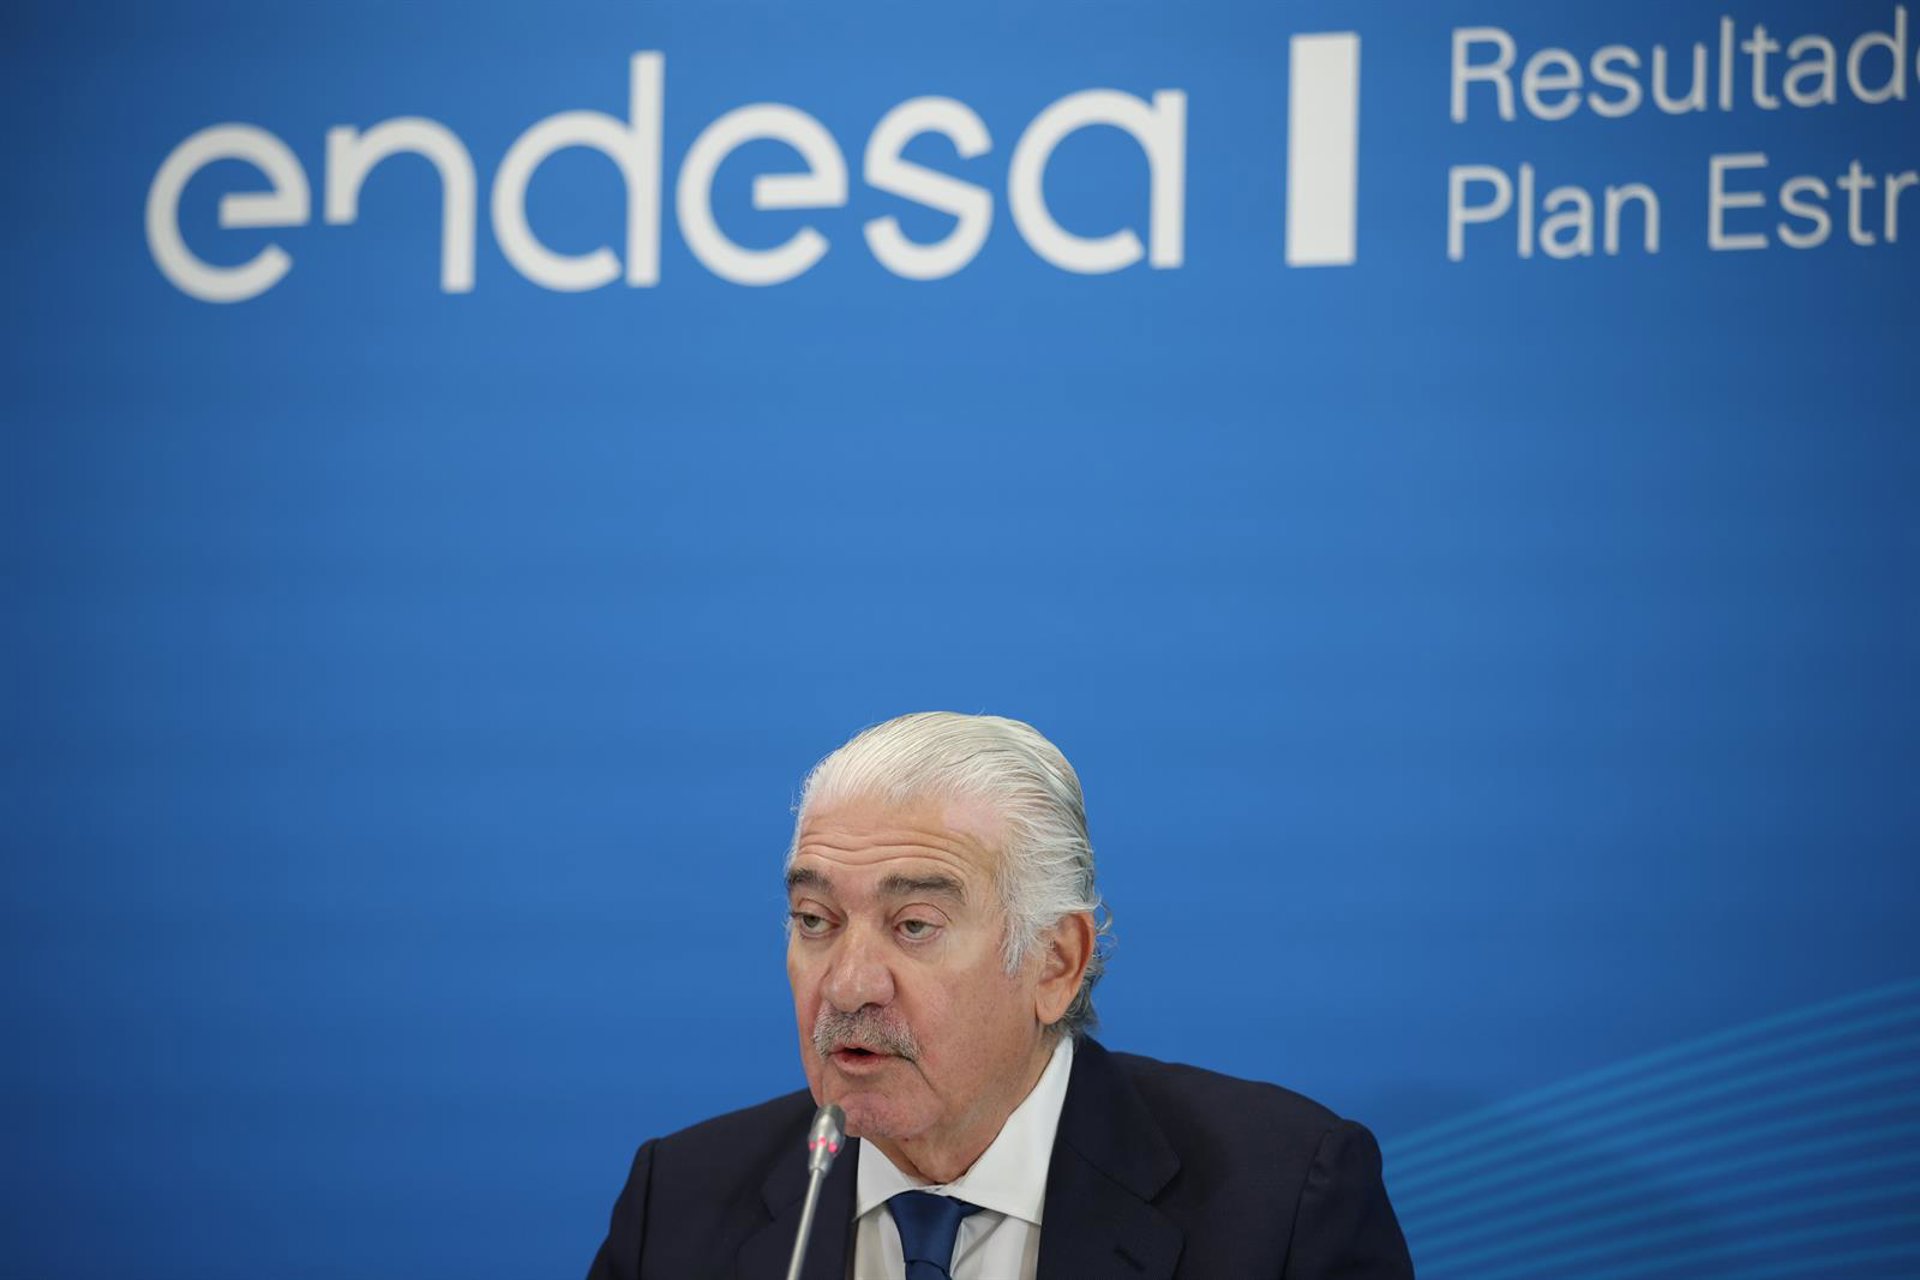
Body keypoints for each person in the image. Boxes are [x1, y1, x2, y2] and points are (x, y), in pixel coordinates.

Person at [586, 712, 1414, 1279]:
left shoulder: (1282, 1206)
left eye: (914, 925)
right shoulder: (679, 1204)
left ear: (1055, 963)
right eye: (815, 920)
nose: (847, 982)